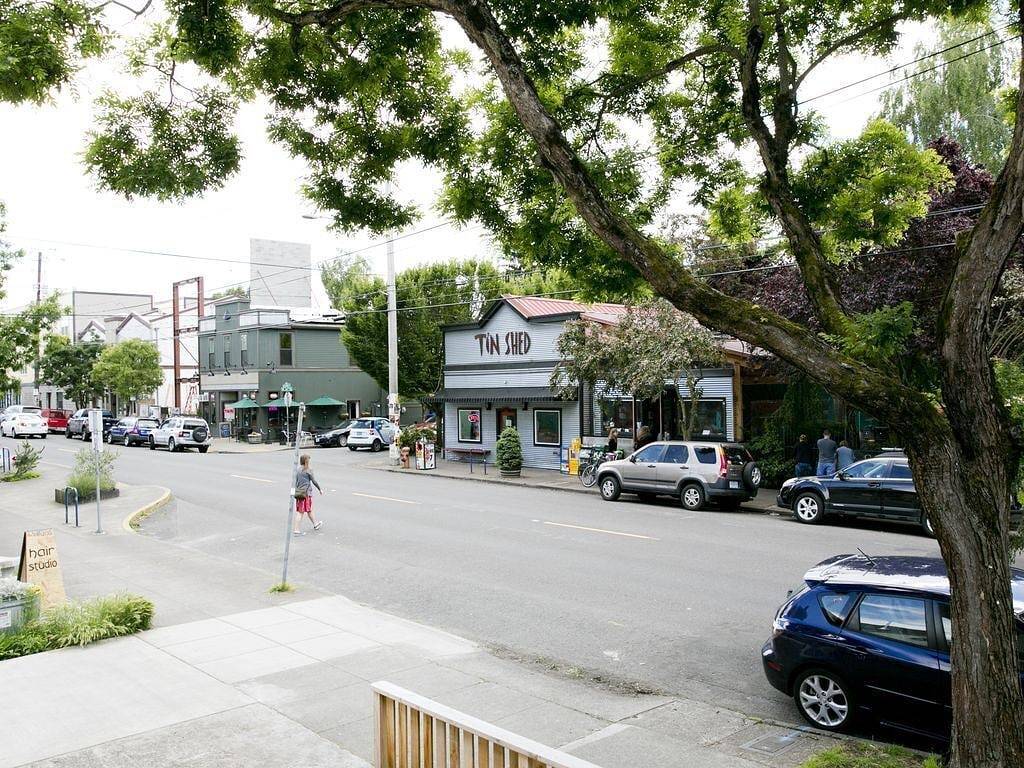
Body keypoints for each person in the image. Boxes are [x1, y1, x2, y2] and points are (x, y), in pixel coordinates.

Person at [292, 454, 324, 536]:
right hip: (306, 494)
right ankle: (296, 530)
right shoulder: (308, 470)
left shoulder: (297, 470)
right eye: (309, 460)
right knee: (301, 512)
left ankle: (315, 524)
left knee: (309, 510)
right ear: (306, 461)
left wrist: (293, 492)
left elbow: (294, 482)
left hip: (299, 493)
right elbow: (314, 481)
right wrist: (320, 489)